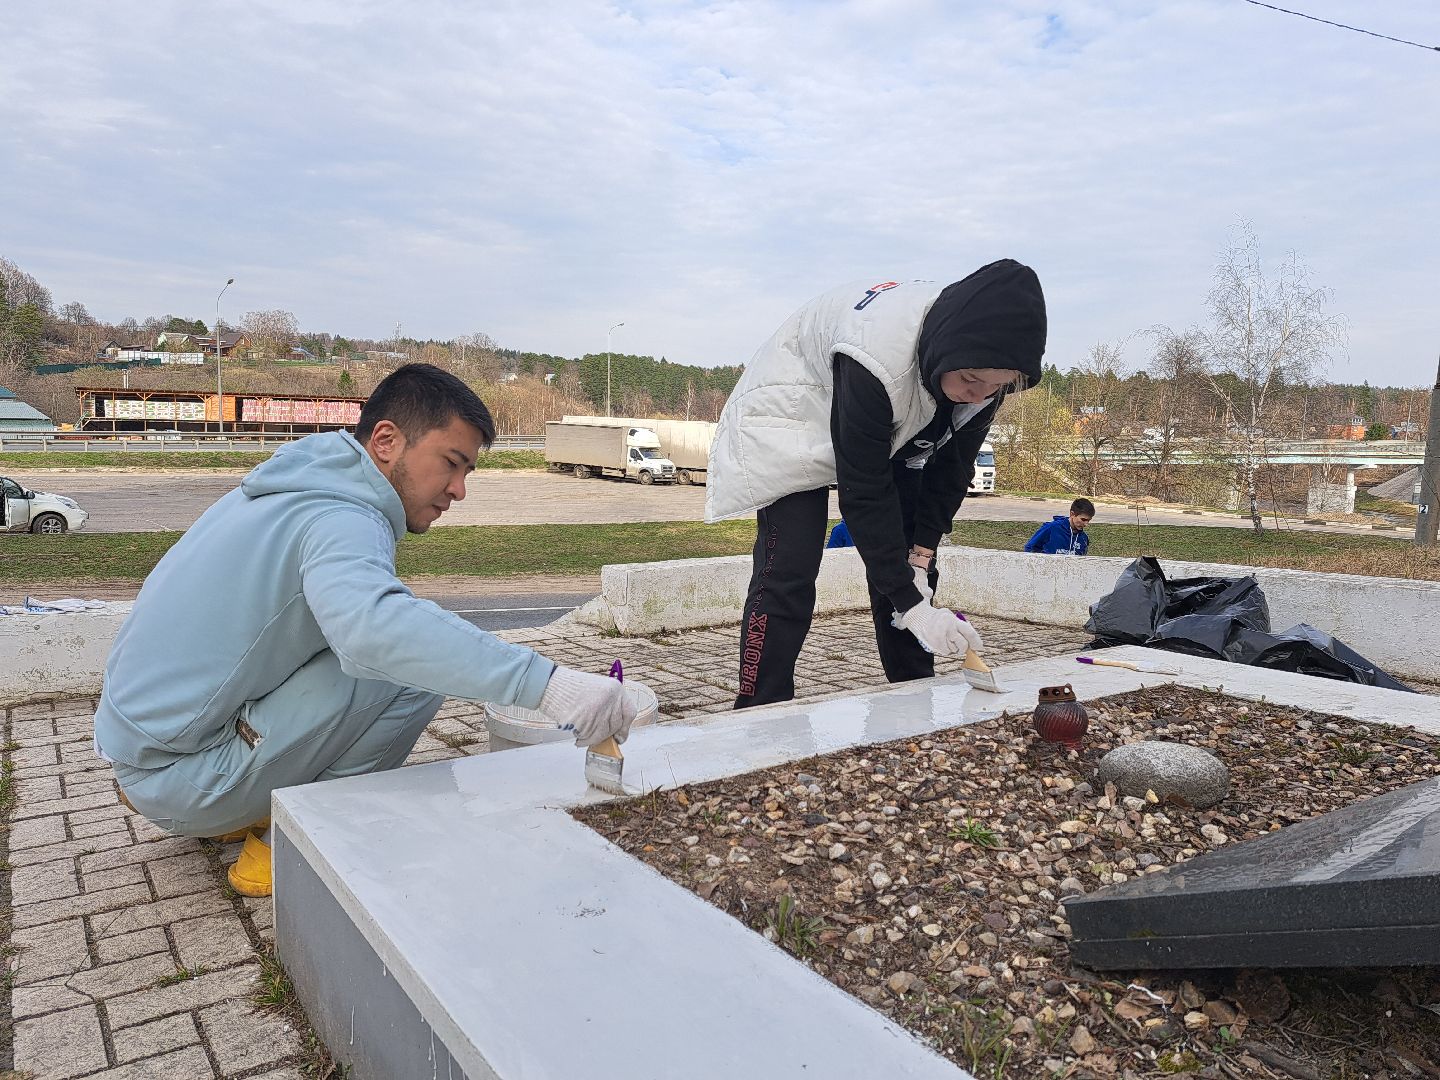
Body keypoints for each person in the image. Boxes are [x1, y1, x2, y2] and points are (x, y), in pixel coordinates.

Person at [95, 363, 637, 897]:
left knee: (403, 644)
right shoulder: (342, 519)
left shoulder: (292, 488)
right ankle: (305, 830)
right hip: (180, 774)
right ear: (385, 440)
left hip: (147, 754)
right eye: (451, 463)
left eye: (467, 471)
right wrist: (550, 685)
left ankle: (249, 800)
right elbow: (374, 631)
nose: (459, 489)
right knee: (410, 670)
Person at [706, 263, 1047, 708]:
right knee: (789, 566)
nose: (980, 395)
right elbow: (863, 490)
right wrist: (910, 601)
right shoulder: (874, 357)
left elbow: (951, 475)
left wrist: (921, 561)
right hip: (793, 412)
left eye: (996, 387)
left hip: (899, 415)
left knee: (910, 567)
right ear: (947, 348)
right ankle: (759, 705)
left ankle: (912, 692)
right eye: (970, 380)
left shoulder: (983, 379)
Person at [1024, 497, 1094, 556]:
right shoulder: (1052, 528)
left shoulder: (1084, 539)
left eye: (1088, 520)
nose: (1086, 524)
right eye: (1083, 519)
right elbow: (1029, 548)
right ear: (1072, 514)